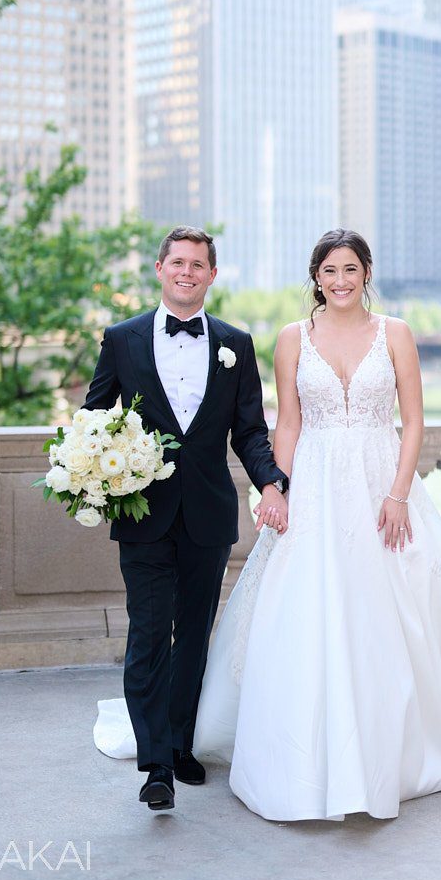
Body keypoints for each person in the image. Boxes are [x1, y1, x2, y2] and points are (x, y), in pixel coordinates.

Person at [94, 228, 441, 822]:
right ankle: (182, 760)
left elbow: (410, 422)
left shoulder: (392, 335)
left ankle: (377, 747)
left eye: (350, 270)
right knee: (276, 617)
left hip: (378, 484)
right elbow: (282, 427)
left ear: (366, 274)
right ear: (316, 278)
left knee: (383, 612)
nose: (339, 281)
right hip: (305, 486)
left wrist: (399, 494)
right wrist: (277, 487)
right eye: (329, 271)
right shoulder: (283, 339)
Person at [84, 226, 289, 810]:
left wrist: (272, 480)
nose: (187, 272)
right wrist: (95, 476)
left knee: (193, 636)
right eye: (178, 262)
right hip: (142, 512)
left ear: (212, 275)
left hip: (208, 513)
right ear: (159, 268)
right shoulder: (121, 340)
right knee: (149, 633)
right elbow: (92, 418)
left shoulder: (236, 344)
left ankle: (179, 743)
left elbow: (249, 430)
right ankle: (155, 766)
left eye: (198, 264)